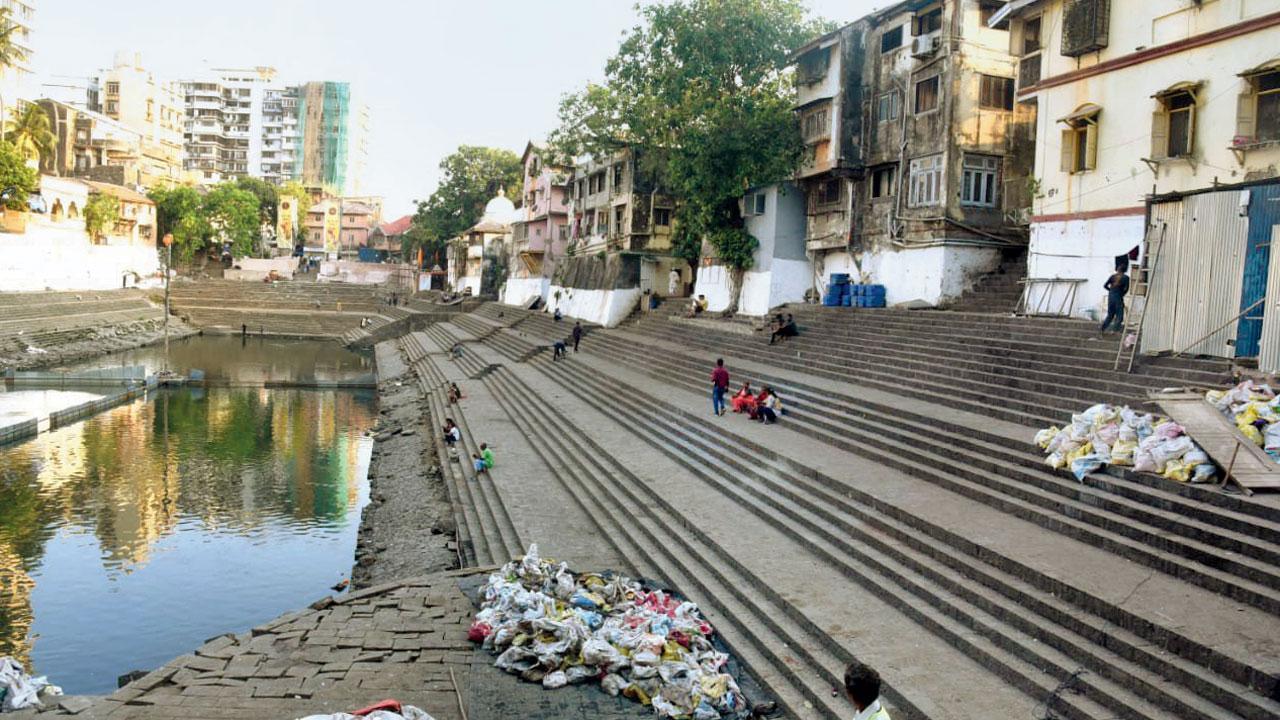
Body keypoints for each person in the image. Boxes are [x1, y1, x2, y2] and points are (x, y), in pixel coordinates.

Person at [1099, 265, 1130, 334]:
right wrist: (1122, 294)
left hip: (1111, 296)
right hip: (1118, 296)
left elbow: (1105, 285)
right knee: (1119, 315)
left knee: (1110, 314)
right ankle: (1114, 330)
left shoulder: (1112, 276)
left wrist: (1110, 290)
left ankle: (1102, 328)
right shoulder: (1126, 278)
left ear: (1117, 270)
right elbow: (1126, 289)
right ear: (1125, 270)